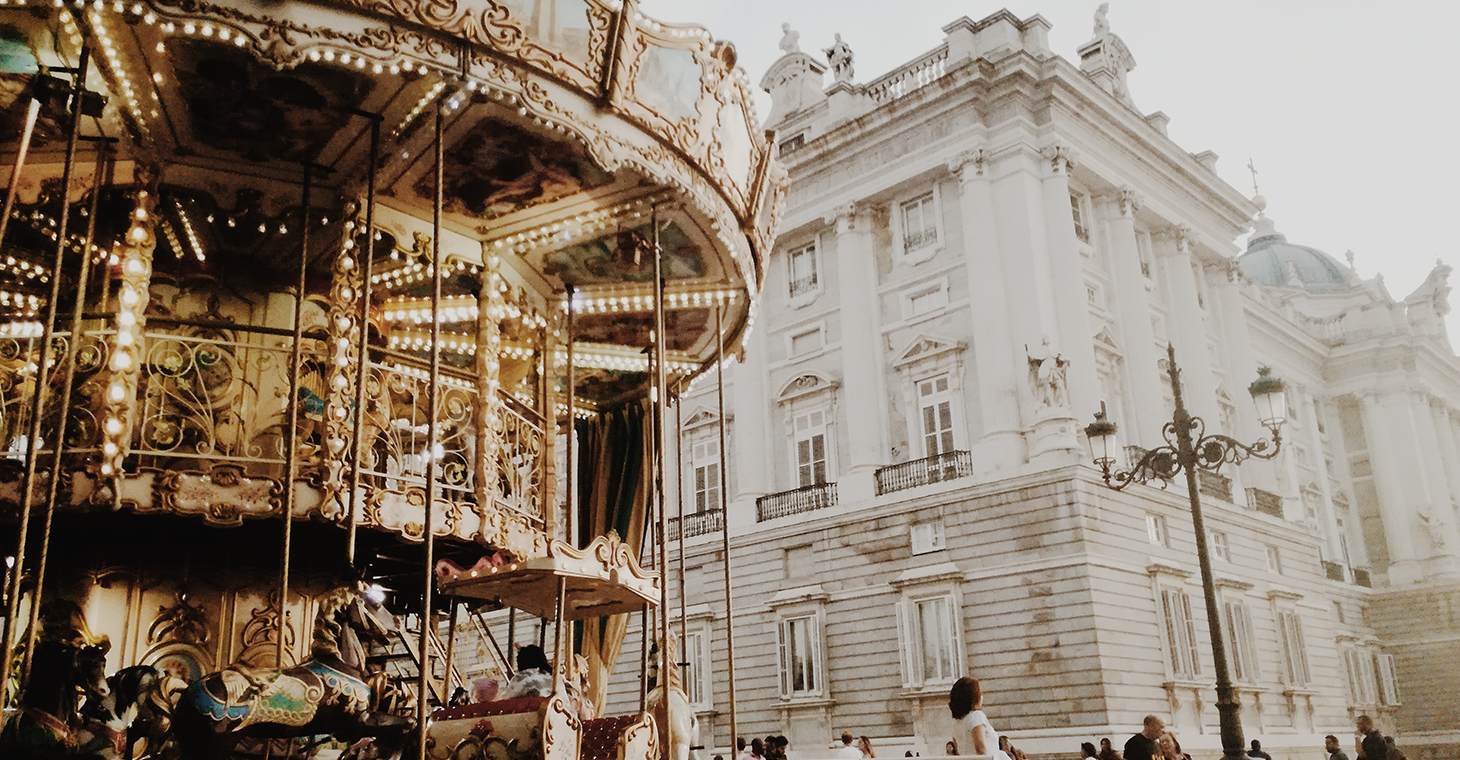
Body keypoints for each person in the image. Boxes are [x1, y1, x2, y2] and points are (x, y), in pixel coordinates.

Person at [948, 677, 1011, 760]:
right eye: (979, 694)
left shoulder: (956, 722)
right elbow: (981, 749)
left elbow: (958, 751)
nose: (981, 697)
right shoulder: (976, 716)